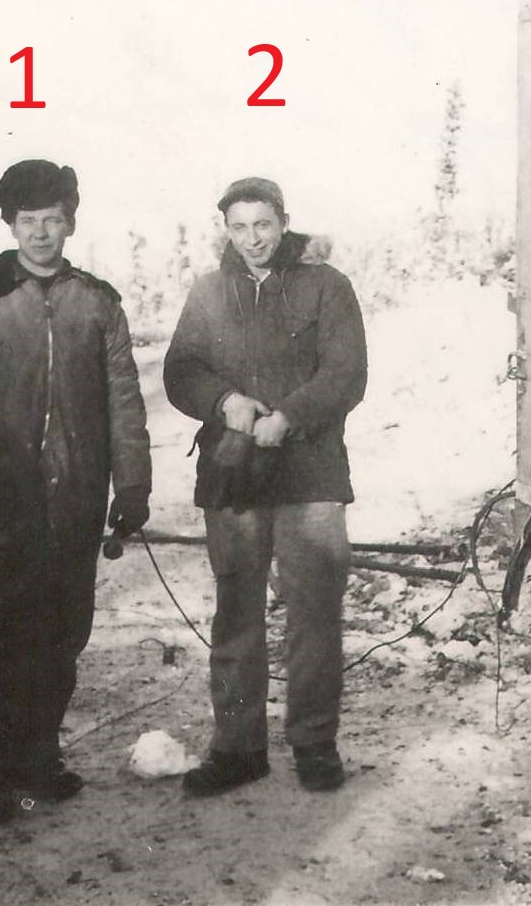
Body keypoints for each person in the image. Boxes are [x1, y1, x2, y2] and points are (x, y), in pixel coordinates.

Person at [0, 160, 152, 826]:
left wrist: (131, 484)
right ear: (9, 224)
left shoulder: (96, 302)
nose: (41, 232)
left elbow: (124, 403)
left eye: (52, 219)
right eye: (28, 221)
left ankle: (39, 757)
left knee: (60, 632)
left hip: (73, 501)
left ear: (69, 220)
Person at [163, 176, 368, 796]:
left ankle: (313, 743)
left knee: (313, 613)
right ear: (225, 228)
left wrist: (291, 416)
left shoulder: (327, 287)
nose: (252, 239)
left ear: (283, 223)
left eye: (263, 225)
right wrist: (224, 402)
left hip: (310, 474)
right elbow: (179, 370)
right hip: (234, 476)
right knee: (237, 613)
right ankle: (237, 747)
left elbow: (347, 372)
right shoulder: (207, 292)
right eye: (238, 226)